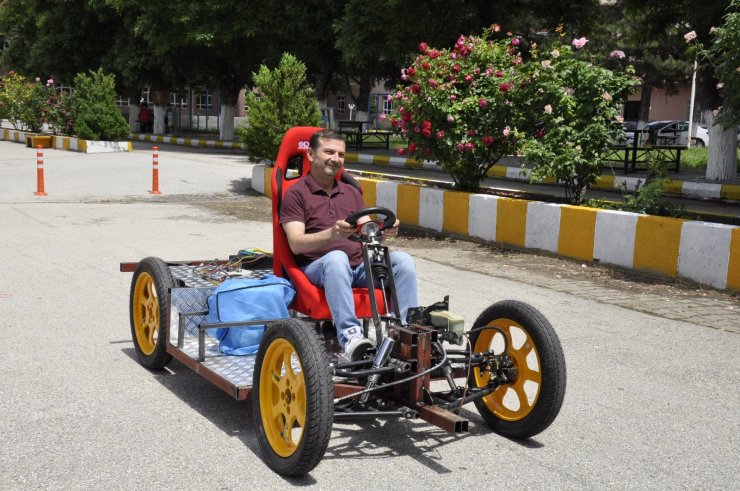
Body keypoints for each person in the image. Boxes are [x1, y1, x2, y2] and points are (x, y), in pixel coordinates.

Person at [279, 129, 418, 361]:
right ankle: (350, 336)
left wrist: (384, 231)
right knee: (336, 258)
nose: (336, 159)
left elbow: (366, 231)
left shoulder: (351, 192)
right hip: (316, 268)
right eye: (329, 152)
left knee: (402, 261)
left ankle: (406, 332)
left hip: (357, 266)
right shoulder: (296, 194)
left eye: (341, 154)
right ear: (311, 155)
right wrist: (331, 235)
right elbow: (295, 244)